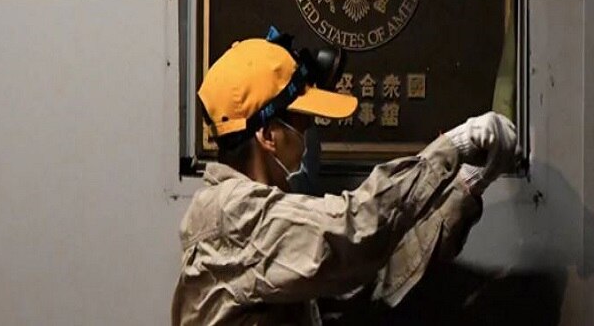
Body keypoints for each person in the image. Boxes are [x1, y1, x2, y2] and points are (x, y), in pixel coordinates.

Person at [172, 35, 520, 325]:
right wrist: (452, 148)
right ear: (268, 134)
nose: (309, 135)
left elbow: (368, 282)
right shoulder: (230, 214)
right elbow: (353, 230)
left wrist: (466, 189)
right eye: (303, 124)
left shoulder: (263, 224)